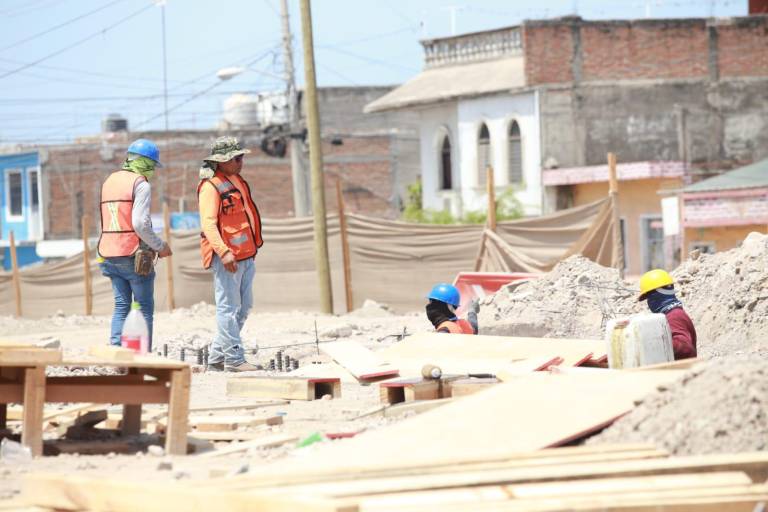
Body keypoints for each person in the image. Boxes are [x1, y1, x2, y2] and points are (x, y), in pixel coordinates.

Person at [98, 139, 172, 351]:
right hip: (132, 254)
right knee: (143, 308)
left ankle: (116, 350)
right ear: (145, 162)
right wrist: (159, 245)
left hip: (108, 252)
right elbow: (139, 223)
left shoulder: (109, 181)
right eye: (152, 166)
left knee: (121, 306)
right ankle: (141, 354)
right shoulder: (141, 184)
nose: (153, 172)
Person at [198, 136, 264, 372]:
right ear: (222, 161)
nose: (241, 161)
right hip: (227, 258)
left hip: (246, 255)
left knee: (244, 307)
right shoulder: (211, 187)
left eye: (241, 157)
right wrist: (224, 252)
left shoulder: (236, 180)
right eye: (236, 158)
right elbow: (208, 224)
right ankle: (235, 359)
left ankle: (216, 356)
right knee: (228, 308)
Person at [638, 269, 697, 360]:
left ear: (657, 294)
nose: (649, 302)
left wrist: (650, 345)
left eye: (649, 296)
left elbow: (685, 348)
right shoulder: (672, 314)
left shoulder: (674, 317)